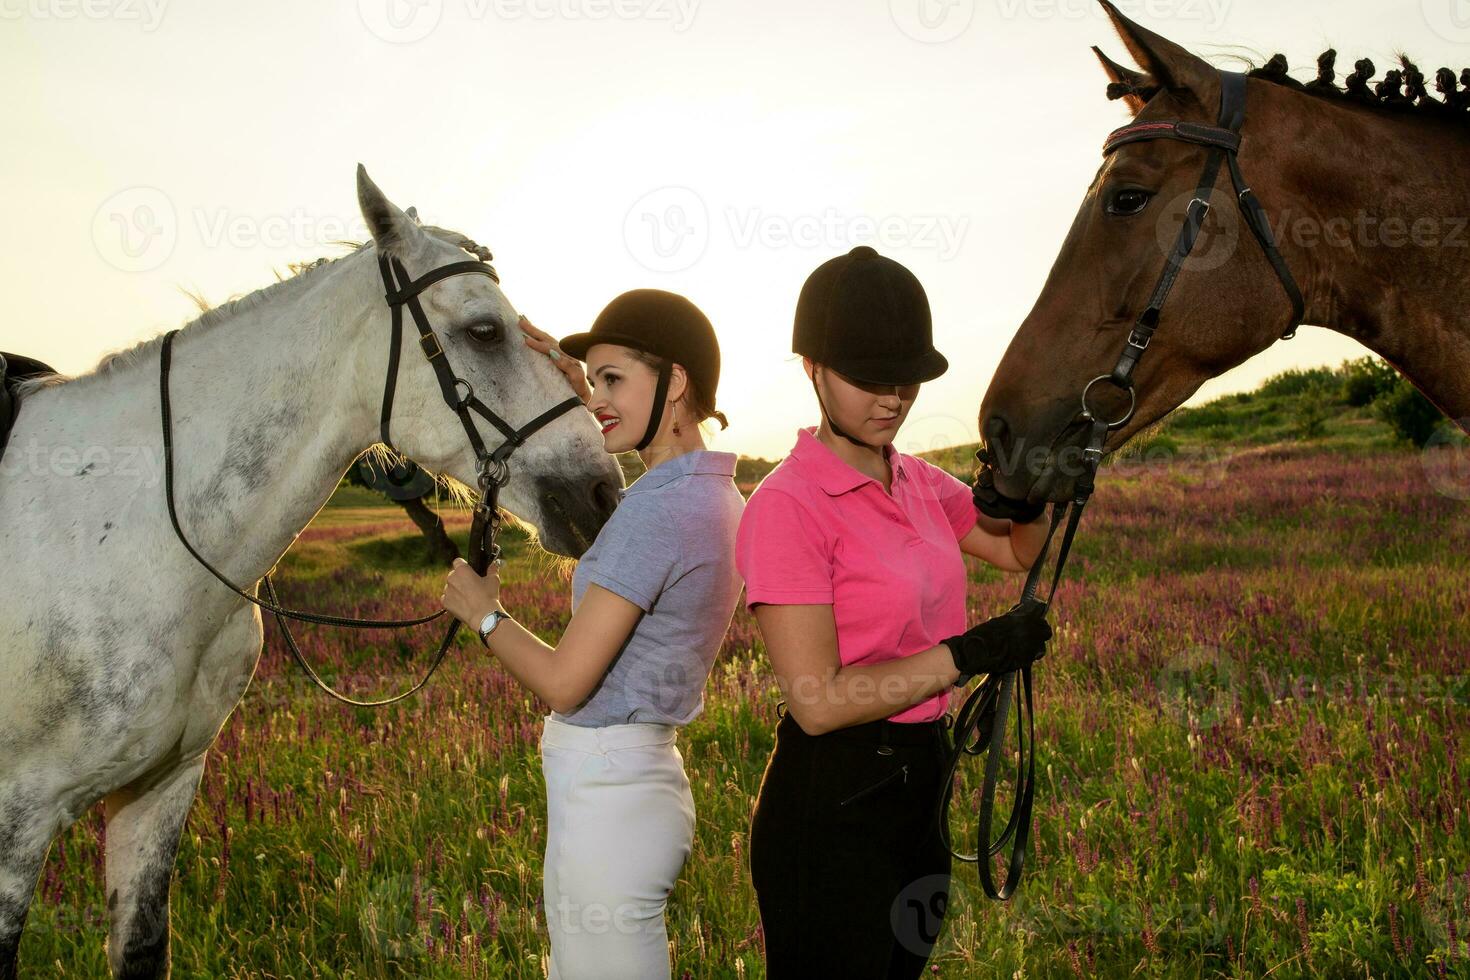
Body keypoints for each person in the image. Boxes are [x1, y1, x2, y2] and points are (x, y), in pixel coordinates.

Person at [734, 246, 1054, 979]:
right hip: (834, 797)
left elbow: (1012, 552)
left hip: (922, 781)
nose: (893, 398)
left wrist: (1032, 485)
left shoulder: (916, 480)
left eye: (905, 377)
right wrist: (969, 655)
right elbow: (816, 704)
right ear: (811, 368)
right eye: (869, 379)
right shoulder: (787, 506)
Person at [441, 291, 742, 980]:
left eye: (614, 380)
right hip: (636, 787)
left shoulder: (657, 513)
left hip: (607, 794)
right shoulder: (711, 493)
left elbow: (565, 682)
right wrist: (577, 375)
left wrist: (485, 613)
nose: (597, 398)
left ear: (676, 384)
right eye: (593, 379)